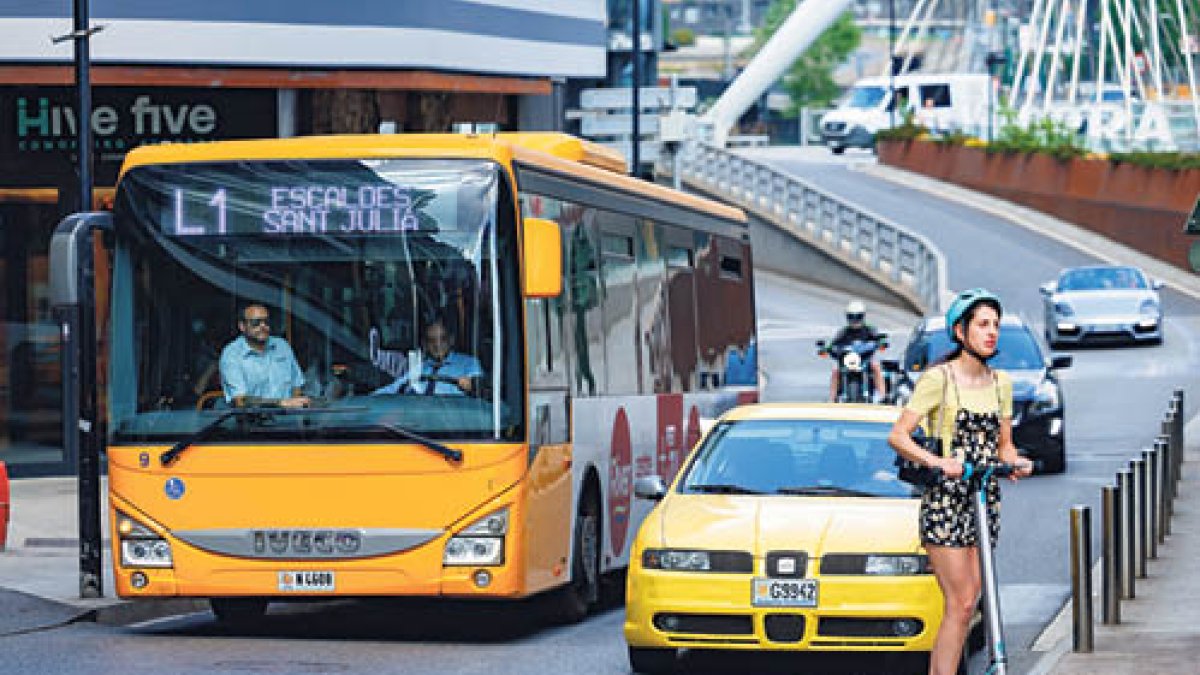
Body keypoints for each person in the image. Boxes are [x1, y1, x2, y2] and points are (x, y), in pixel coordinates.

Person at [887, 289, 1033, 675]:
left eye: (996, 325)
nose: (992, 333)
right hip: (947, 501)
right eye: (983, 324)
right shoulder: (939, 379)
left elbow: (1004, 445)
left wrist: (1016, 462)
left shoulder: (1001, 382)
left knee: (972, 604)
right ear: (960, 330)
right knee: (962, 602)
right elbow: (899, 436)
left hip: (984, 497)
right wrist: (938, 462)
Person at [219, 304, 310, 408]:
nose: (263, 326)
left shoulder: (282, 346)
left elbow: (296, 386)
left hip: (288, 420)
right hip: (251, 421)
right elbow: (240, 401)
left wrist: (295, 413)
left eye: (266, 322)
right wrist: (280, 403)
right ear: (242, 326)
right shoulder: (232, 354)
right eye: (255, 323)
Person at [374, 318, 483, 396]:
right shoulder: (420, 368)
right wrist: (368, 400)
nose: (437, 345)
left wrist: (470, 384)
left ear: (451, 340)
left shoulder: (469, 364)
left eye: (443, 339)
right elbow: (393, 388)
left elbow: (478, 388)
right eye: (432, 340)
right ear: (425, 344)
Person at [827, 300, 887, 402]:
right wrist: (827, 348)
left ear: (862, 316)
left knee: (876, 366)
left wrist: (881, 342)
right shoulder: (843, 332)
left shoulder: (869, 329)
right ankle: (832, 399)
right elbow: (833, 344)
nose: (855, 320)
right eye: (851, 317)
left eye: (858, 316)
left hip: (865, 359)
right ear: (847, 317)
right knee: (835, 370)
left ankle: (882, 396)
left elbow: (879, 338)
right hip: (847, 360)